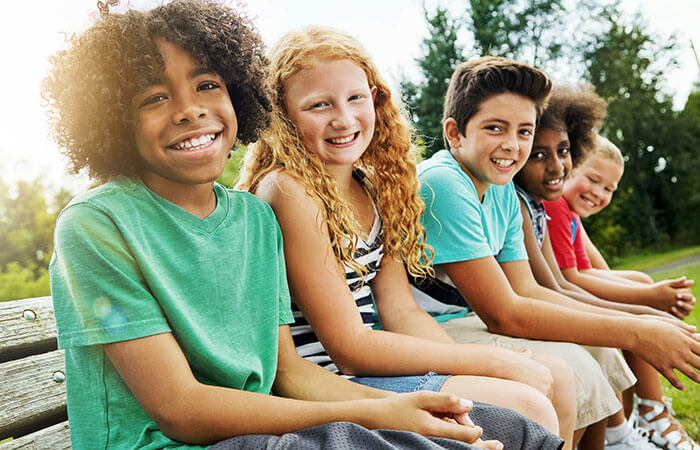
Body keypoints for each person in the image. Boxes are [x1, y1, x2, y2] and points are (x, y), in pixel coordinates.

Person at [42, 2, 519, 449]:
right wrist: (381, 415)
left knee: (514, 429)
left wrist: (401, 407)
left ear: (239, 95)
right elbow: (179, 410)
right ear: (113, 121)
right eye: (154, 97)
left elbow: (289, 372)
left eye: (207, 85)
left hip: (263, 429)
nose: (189, 109)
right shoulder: (96, 225)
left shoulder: (252, 219)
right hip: (172, 442)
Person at [237, 25, 568, 449]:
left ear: (376, 98)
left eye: (356, 98)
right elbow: (349, 347)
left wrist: (475, 368)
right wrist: (487, 360)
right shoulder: (289, 189)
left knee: (553, 378)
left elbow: (400, 311)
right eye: (319, 105)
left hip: (369, 369)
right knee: (528, 404)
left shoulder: (374, 186)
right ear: (283, 116)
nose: (343, 118)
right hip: (329, 384)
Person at [408, 56, 700, 449]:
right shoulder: (444, 182)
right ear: (455, 133)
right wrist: (637, 330)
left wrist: (641, 323)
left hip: (466, 320)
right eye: (495, 128)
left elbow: (528, 290)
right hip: (426, 331)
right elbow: (504, 313)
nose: (512, 145)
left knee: (594, 350)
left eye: (524, 131)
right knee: (571, 367)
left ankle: (618, 438)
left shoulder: (502, 190)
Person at [541, 132, 700, 450]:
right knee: (639, 306)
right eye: (593, 180)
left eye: (609, 189)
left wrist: (650, 290)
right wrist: (650, 299)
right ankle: (647, 415)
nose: (599, 193)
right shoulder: (555, 207)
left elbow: (592, 271)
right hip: (558, 297)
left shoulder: (569, 214)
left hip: (568, 289)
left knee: (641, 282)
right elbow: (573, 279)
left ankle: (645, 414)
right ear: (568, 169)